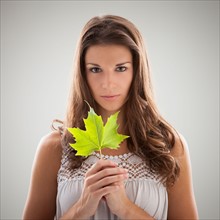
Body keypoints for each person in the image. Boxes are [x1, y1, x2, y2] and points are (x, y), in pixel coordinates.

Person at [23, 15, 199, 220]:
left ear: (137, 71)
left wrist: (125, 208)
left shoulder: (168, 145)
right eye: (95, 69)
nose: (108, 83)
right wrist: (81, 208)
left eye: (121, 68)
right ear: (82, 73)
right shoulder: (54, 148)